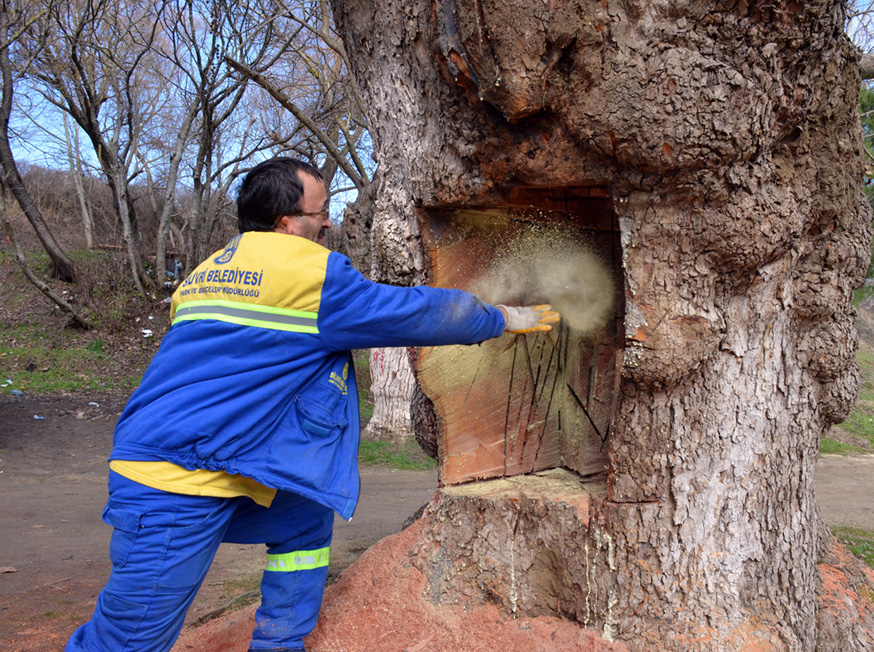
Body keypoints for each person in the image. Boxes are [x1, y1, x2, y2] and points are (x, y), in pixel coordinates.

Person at [65, 157, 558, 652]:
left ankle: (280, 643)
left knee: (303, 515)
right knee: (129, 637)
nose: (329, 222)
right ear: (287, 221)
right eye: (320, 212)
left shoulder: (207, 271)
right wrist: (500, 317)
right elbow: (412, 312)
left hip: (207, 455)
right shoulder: (310, 274)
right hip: (173, 482)